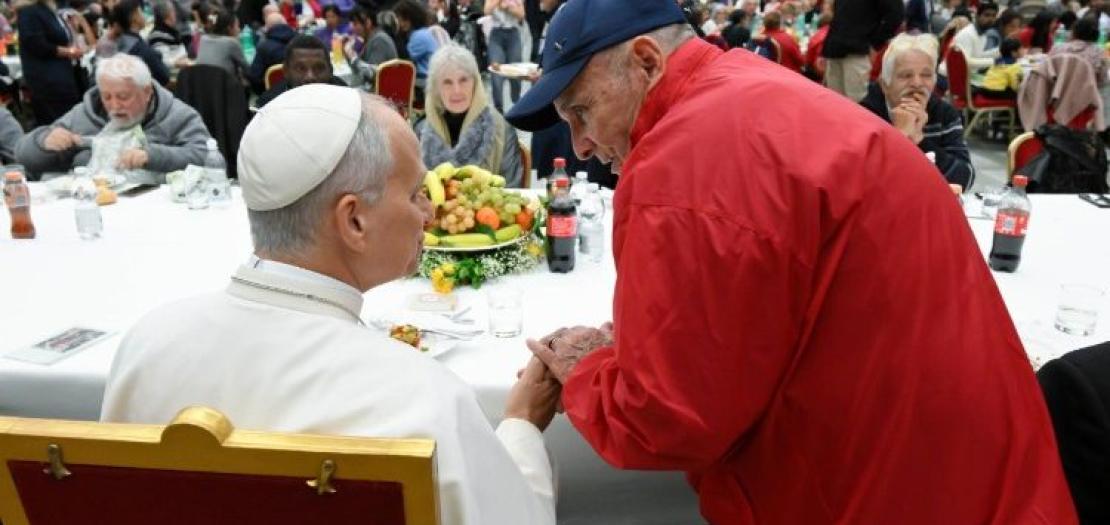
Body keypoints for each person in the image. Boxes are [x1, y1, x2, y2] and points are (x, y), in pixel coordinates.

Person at [505, 0, 1078, 523]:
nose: (577, 144)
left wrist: (587, 372)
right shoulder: (750, 88)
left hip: (882, 490)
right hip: (976, 473)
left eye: (580, 111)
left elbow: (667, 420)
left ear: (647, 62)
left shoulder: (683, 160)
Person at [100, 84, 558, 525]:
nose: (430, 212)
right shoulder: (421, 399)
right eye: (417, 192)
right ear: (354, 219)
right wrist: (521, 425)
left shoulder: (146, 344)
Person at [15, 54, 210, 177]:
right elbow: (24, 157)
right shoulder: (86, 113)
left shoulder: (176, 115)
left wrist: (152, 156)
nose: (114, 106)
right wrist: (43, 143)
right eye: (107, 96)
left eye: (123, 97)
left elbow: (208, 158)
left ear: (147, 91)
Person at [860, 33, 975, 188]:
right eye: (906, 76)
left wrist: (919, 140)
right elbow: (859, 182)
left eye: (926, 75)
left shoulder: (944, 114)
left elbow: (965, 180)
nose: (917, 83)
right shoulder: (864, 115)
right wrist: (899, 137)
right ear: (884, 85)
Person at [415, 45, 523, 186]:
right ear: (436, 88)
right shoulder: (419, 133)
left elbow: (512, 190)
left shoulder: (501, 130)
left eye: (463, 80)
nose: (457, 90)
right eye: (447, 82)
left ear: (475, 83)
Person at [18, 0, 89, 125]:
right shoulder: (29, 11)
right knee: (58, 122)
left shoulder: (50, 9)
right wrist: (69, 52)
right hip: (48, 79)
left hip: (63, 75)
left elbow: (63, 37)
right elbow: (37, 45)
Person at [821, 0, 904, 101]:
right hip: (836, 49)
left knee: (857, 105)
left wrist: (875, 44)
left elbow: (896, 15)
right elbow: (840, 15)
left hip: (857, 51)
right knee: (834, 103)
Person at [257, 35, 348, 108]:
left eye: (319, 68)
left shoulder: (346, 96)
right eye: (300, 69)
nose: (310, 77)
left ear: (330, 70)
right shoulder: (269, 106)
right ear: (286, 71)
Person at [103, 0, 172, 85]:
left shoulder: (114, 44)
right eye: (140, 11)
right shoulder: (141, 50)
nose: (144, 14)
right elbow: (164, 76)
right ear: (134, 17)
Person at [483, 0, 525, 114]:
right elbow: (486, 10)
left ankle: (517, 102)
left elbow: (521, 15)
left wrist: (508, 8)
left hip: (513, 34)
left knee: (516, 72)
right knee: (496, 72)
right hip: (496, 34)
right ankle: (498, 110)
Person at [393, 0, 443, 92]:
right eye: (400, 20)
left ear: (413, 18)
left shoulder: (419, 36)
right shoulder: (422, 32)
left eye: (405, 20)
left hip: (426, 82)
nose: (402, 24)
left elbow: (403, 60)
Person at [343, 6, 398, 88]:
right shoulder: (370, 38)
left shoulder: (380, 40)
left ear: (368, 23)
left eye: (355, 24)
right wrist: (347, 54)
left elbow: (372, 75)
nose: (353, 28)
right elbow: (357, 69)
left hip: (383, 92)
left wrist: (353, 57)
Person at [1049, 15, 1107, 88]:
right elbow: (1103, 81)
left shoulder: (1057, 49)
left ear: (1074, 32)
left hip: (1058, 94)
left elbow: (1048, 73)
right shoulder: (1098, 52)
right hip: (1087, 95)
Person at [195, 8, 249, 83]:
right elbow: (247, 69)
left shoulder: (203, 38)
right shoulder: (231, 43)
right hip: (224, 90)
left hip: (201, 88)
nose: (239, 29)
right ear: (229, 28)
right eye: (237, 26)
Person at [248, 13, 296, 94]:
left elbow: (255, 77)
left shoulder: (263, 47)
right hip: (301, 92)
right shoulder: (301, 41)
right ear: (285, 23)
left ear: (267, 28)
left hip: (272, 96)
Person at [949, 1, 999, 72]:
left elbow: (977, 56)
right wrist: (994, 61)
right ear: (977, 16)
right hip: (948, 77)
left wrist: (999, 52)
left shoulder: (983, 35)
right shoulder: (967, 34)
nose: (991, 19)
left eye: (994, 16)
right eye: (987, 15)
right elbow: (965, 61)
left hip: (965, 75)